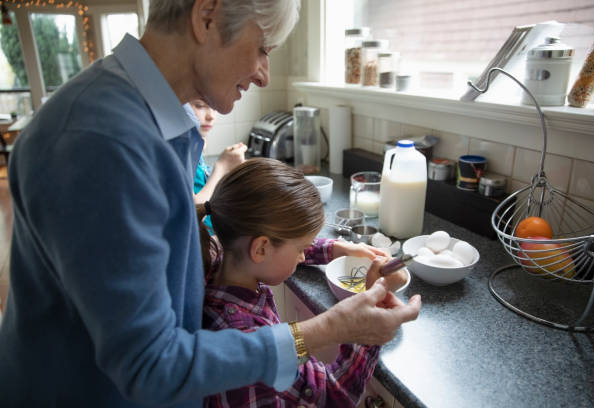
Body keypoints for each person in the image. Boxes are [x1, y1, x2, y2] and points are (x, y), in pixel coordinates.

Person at [0, 1, 421, 407]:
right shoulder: (99, 143)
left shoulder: (149, 122)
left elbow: (179, 239)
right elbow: (150, 366)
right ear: (207, 15)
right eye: (262, 49)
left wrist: (330, 248)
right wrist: (332, 327)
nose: (263, 73)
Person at [199, 158, 409, 407]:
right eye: (302, 248)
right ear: (262, 248)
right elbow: (333, 394)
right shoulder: (247, 341)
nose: (303, 255)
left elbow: (275, 249)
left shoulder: (216, 256)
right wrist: (369, 329)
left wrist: (337, 249)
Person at [185, 99, 246, 205]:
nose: (211, 116)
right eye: (200, 106)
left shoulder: (195, 144)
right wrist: (221, 167)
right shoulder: (180, 150)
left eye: (214, 107)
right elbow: (194, 211)